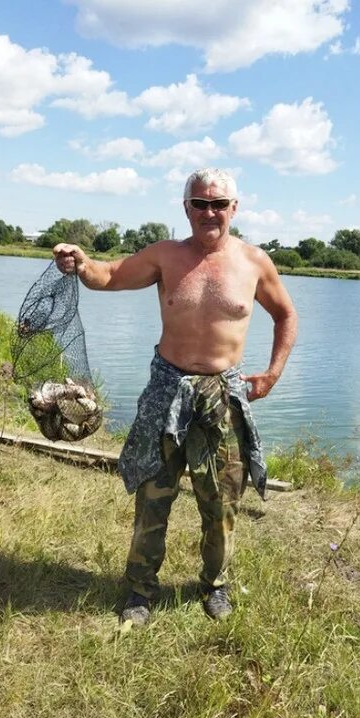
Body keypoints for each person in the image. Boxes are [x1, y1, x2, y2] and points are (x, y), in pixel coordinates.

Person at [53, 167, 298, 625]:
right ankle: (140, 591)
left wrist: (272, 374)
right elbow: (109, 276)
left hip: (222, 394)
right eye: (199, 203)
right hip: (167, 389)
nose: (209, 212)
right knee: (153, 496)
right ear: (186, 208)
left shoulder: (254, 262)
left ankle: (215, 585)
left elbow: (286, 314)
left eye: (218, 203)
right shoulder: (165, 255)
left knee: (221, 500)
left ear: (234, 209)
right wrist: (82, 263)